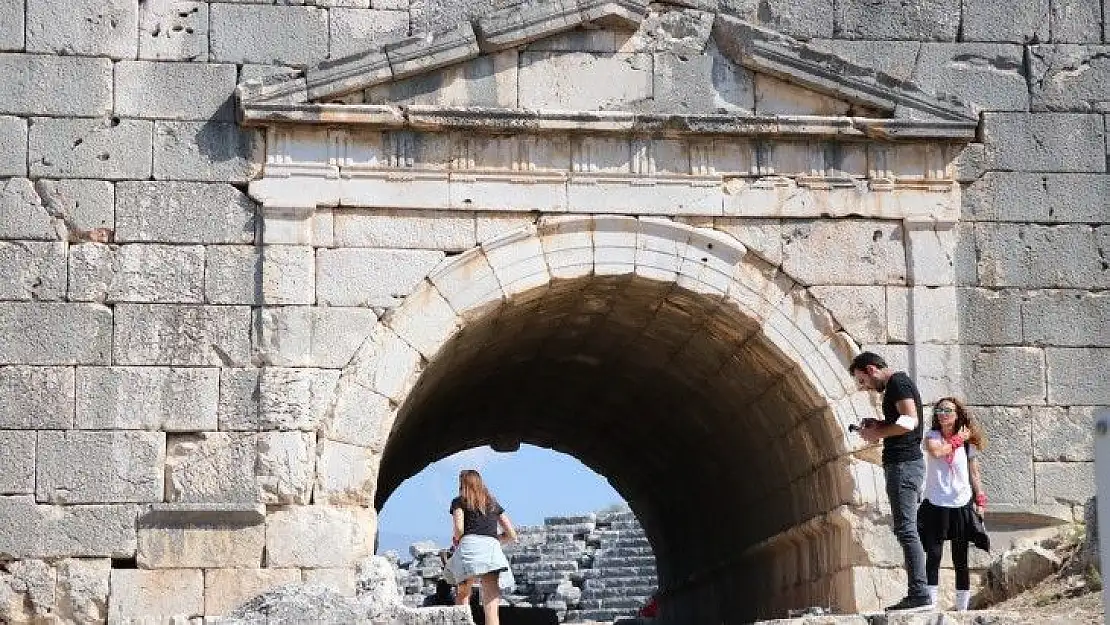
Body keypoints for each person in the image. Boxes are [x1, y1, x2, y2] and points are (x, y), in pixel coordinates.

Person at [849, 351, 931, 612]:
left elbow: (910, 421)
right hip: (902, 464)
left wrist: (879, 432)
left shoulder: (898, 383)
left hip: (904, 464)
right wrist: (879, 424)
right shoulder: (896, 387)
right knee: (904, 528)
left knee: (906, 529)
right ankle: (918, 593)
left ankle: (919, 594)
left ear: (872, 369)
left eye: (863, 381)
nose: (865, 388)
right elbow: (901, 421)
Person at [919, 397, 990, 611]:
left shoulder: (968, 444)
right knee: (934, 556)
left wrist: (980, 499)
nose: (943, 414)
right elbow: (937, 452)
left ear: (957, 413)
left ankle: (962, 610)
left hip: (960, 503)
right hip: (936, 502)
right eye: (939, 410)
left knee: (961, 559)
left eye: (948, 410)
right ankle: (930, 605)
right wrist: (958, 440)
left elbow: (974, 473)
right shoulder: (932, 436)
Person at [445, 469, 518, 625]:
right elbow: (512, 534)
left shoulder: (459, 502)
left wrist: (457, 540)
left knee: (463, 594)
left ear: (463, 484)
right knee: (491, 606)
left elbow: (459, 529)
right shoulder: (492, 503)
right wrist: (494, 539)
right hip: (491, 551)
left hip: (469, 548)